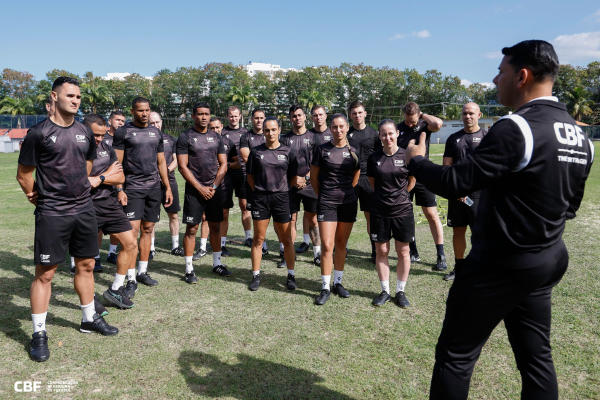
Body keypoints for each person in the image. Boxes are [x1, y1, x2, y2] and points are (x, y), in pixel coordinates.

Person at [405, 40, 594, 399]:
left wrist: (416, 160)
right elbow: (570, 207)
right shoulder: (581, 137)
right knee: (536, 360)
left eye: (500, 71)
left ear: (522, 76)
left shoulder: (517, 127)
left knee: (456, 356)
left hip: (500, 263)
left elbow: (455, 181)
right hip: (546, 259)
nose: (495, 80)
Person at [16, 77, 119, 362]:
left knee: (86, 265)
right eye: (70, 95)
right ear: (54, 96)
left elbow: (88, 162)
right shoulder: (38, 133)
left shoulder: (85, 131)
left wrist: (80, 186)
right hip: (52, 212)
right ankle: (39, 333)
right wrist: (37, 196)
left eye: (78, 97)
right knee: (45, 274)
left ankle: (89, 318)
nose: (75, 100)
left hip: (84, 209)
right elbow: (24, 174)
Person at [112, 97, 173, 294]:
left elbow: (161, 163)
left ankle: (142, 272)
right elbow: (117, 164)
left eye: (147, 110)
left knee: (148, 229)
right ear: (132, 111)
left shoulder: (156, 132)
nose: (145, 114)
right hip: (132, 189)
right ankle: (130, 279)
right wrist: (120, 189)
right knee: (132, 233)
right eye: (140, 110)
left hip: (153, 188)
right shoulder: (123, 132)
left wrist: (167, 187)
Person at [82, 114, 138, 310]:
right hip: (87, 205)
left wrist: (100, 178)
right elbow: (81, 181)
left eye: (102, 134)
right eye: (95, 135)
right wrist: (107, 176)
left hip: (110, 203)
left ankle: (115, 289)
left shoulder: (107, 147)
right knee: (87, 259)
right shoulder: (77, 150)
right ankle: (90, 298)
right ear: (85, 131)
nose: (99, 138)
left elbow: (120, 176)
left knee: (130, 243)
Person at [177, 102, 231, 284]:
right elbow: (182, 166)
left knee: (215, 226)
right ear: (193, 116)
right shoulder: (185, 137)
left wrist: (213, 187)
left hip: (214, 190)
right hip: (194, 191)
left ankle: (217, 264)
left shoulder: (216, 137)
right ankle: (189, 269)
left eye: (207, 114)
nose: (204, 117)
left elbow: (224, 164)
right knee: (192, 228)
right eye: (200, 114)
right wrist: (200, 188)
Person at [310, 114, 360, 305]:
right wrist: (325, 195)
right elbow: (314, 178)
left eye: (341, 126)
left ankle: (337, 283)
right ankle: (325, 287)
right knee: (327, 245)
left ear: (347, 127)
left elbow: (355, 177)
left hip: (348, 203)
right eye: (334, 127)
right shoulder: (321, 150)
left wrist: (345, 194)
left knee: (341, 244)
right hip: (326, 203)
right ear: (330, 129)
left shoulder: (353, 151)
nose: (338, 130)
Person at [367, 119, 416, 307]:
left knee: (403, 252)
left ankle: (400, 291)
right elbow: (373, 183)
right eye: (383, 134)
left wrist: (400, 196)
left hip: (402, 210)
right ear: (379, 136)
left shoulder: (406, 155)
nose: (387, 137)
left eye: (390, 133)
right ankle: (385, 291)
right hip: (379, 211)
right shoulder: (373, 158)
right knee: (381, 251)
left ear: (397, 133)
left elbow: (411, 181)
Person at [247, 117, 298, 291]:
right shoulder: (256, 152)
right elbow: (250, 177)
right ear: (263, 131)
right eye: (267, 130)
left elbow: (293, 178)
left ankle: (291, 275)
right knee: (258, 239)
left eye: (273, 129)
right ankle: (255, 276)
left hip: (282, 199)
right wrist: (261, 191)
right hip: (261, 199)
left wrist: (280, 190)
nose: (270, 133)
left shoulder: (288, 152)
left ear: (279, 130)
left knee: (287, 239)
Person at [441, 103, 487, 281]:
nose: (467, 116)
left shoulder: (487, 137)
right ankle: (459, 268)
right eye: (464, 113)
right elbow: (447, 168)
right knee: (458, 230)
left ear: (479, 115)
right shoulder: (453, 138)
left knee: (479, 232)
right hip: (457, 194)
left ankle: (480, 267)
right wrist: (455, 189)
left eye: (471, 113)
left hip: (479, 195)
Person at [397, 103, 445, 270]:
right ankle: (413, 251)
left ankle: (441, 255)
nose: (410, 124)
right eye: (407, 121)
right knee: (406, 214)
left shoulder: (425, 125)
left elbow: (438, 124)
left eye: (413, 121)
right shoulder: (398, 129)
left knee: (431, 214)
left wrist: (422, 115)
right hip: (404, 177)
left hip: (424, 176)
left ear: (419, 115)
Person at [280, 105, 322, 267]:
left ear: (305, 117)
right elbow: (282, 163)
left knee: (313, 220)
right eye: (294, 116)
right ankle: (288, 255)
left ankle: (317, 254)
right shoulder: (284, 139)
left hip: (310, 185)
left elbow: (318, 163)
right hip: (290, 185)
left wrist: (306, 177)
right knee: (291, 220)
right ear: (290, 119)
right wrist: (294, 179)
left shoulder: (314, 138)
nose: (297, 118)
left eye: (299, 115)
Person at [347, 101, 382, 263]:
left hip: (369, 180)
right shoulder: (346, 133)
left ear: (365, 113)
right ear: (350, 115)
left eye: (360, 112)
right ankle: (342, 247)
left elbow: (380, 157)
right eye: (354, 113)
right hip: (350, 180)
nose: (357, 115)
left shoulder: (374, 134)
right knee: (347, 216)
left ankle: (375, 250)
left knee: (370, 217)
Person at [148, 111, 183, 257]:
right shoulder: (144, 139)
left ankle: (175, 246)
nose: (155, 125)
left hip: (170, 181)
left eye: (157, 122)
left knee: (173, 215)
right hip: (151, 183)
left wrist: (165, 172)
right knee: (151, 218)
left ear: (161, 122)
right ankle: (151, 248)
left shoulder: (170, 139)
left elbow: (176, 160)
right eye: (152, 123)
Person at [206, 116, 240, 257]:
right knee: (205, 216)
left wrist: (226, 165)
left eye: (217, 127)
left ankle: (222, 244)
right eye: (212, 128)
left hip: (225, 184)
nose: (215, 130)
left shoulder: (228, 142)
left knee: (224, 215)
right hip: (206, 184)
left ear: (222, 127)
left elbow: (237, 163)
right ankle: (203, 246)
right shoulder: (203, 141)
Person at [221, 106, 251, 249]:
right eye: (231, 116)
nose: (233, 118)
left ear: (240, 117)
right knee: (224, 210)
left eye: (236, 116)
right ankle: (222, 242)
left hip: (243, 173)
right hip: (226, 174)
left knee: (245, 206)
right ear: (227, 117)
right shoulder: (222, 132)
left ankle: (248, 237)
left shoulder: (246, 133)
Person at [239, 109, 268, 256]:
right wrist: (268, 161)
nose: (259, 120)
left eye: (261, 118)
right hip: (253, 180)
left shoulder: (270, 134)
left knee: (271, 213)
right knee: (256, 213)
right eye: (256, 118)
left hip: (271, 181)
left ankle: (273, 245)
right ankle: (259, 243)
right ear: (251, 119)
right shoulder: (246, 137)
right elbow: (246, 157)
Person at [105, 110, 127, 265]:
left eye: (123, 121)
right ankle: (95, 256)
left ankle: (111, 252)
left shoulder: (126, 138)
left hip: (121, 185)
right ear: (109, 121)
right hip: (103, 184)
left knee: (117, 220)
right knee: (98, 224)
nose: (120, 123)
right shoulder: (101, 137)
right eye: (117, 120)